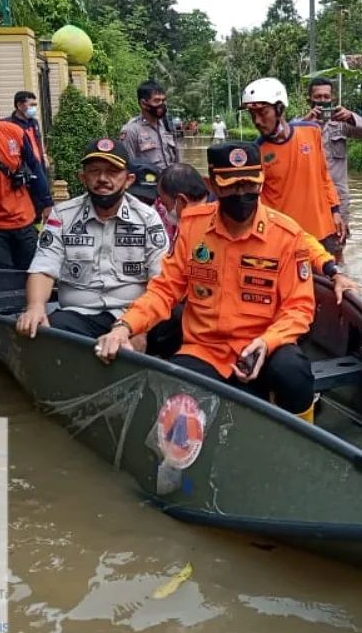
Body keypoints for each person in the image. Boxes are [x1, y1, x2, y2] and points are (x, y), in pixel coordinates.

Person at [96, 141, 317, 423]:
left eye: (250, 185)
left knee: (293, 370)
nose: (242, 193)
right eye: (232, 186)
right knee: (172, 394)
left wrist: (267, 341)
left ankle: (300, 442)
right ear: (214, 184)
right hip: (205, 350)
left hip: (262, 348)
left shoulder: (287, 234)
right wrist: (124, 326)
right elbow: (165, 290)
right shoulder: (193, 225)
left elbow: (299, 308)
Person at [15, 138, 168, 340]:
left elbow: (160, 281)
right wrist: (35, 308)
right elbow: (44, 267)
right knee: (38, 331)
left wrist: (135, 326)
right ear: (83, 177)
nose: (103, 178)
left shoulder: (147, 218)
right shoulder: (62, 216)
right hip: (79, 316)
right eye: (94, 171)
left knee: (175, 321)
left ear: (129, 180)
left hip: (132, 312)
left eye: (113, 171)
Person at [157, 162, 357, 303]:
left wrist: (333, 271)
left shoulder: (236, 213)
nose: (164, 210)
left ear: (181, 201)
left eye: (166, 204)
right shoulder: (188, 227)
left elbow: (303, 241)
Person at [240, 77, 345, 253]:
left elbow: (324, 176)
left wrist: (335, 211)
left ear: (279, 109)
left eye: (263, 113)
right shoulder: (256, 152)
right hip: (284, 238)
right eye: (252, 115)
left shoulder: (311, 131)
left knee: (334, 276)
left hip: (322, 230)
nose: (257, 121)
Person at [0, 82, 53, 271]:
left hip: (24, 220)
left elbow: (35, 168)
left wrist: (48, 204)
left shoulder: (13, 132)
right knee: (3, 279)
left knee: (35, 272)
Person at [303, 76, 362, 256]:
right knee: (306, 247)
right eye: (318, 97)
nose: (323, 101)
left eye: (327, 97)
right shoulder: (300, 125)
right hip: (309, 199)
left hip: (338, 197)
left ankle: (338, 278)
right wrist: (304, 124)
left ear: (332, 98)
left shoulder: (342, 123)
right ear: (309, 99)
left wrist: (351, 117)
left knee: (337, 247)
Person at [120, 81, 180, 169]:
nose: (162, 104)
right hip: (148, 181)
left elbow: (177, 160)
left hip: (170, 180)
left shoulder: (167, 126)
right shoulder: (131, 130)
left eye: (163, 100)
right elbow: (127, 166)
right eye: (157, 100)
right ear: (144, 103)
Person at [2, 90, 48, 175]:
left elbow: (37, 143)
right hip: (24, 170)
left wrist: (44, 156)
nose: (34, 108)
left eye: (35, 105)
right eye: (31, 105)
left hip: (39, 167)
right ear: (19, 105)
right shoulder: (8, 125)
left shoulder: (34, 123)